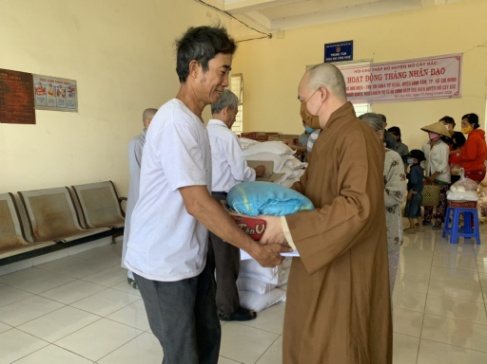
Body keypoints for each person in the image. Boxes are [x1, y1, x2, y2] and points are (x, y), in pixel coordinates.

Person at [123, 26, 287, 364]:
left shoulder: (195, 123)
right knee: (184, 354)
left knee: (208, 340)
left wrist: (246, 221)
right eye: (222, 71)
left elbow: (206, 199)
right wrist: (255, 249)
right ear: (195, 68)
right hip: (162, 264)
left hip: (189, 258)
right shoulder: (175, 122)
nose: (226, 81)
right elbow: (197, 203)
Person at [260, 63, 392, 364]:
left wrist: (288, 227)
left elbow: (358, 207)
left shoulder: (356, 136)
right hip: (318, 255)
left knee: (338, 345)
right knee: (310, 339)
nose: (302, 107)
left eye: (301, 99)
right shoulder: (328, 136)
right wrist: (270, 204)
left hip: (344, 264)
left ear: (321, 94)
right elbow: (309, 188)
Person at [206, 89, 265, 321]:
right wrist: (257, 172)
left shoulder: (200, 132)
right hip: (221, 201)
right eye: (235, 112)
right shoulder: (226, 136)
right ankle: (228, 309)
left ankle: (207, 305)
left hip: (200, 200)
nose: (234, 118)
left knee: (205, 258)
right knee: (226, 258)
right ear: (227, 110)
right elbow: (241, 173)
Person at [360, 113, 406, 293]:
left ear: (380, 134)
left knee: (382, 290)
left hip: (385, 231)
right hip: (357, 234)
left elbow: (395, 196)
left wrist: (360, 194)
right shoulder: (352, 156)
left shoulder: (391, 158)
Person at [121, 108, 157, 289]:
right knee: (136, 235)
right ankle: (132, 273)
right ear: (149, 122)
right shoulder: (137, 143)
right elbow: (137, 175)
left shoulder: (156, 141)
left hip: (154, 197)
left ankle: (146, 271)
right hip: (140, 197)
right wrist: (144, 199)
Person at [421, 121, 451, 229]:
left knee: (440, 200)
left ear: (440, 134)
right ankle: (427, 219)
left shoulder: (444, 147)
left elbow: (444, 163)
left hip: (441, 176)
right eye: (430, 132)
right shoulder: (425, 145)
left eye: (433, 132)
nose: (431, 134)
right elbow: (424, 160)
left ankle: (438, 221)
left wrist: (434, 175)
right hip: (428, 175)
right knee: (428, 197)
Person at [456, 113, 487, 182]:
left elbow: (471, 156)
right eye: (461, 123)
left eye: (464, 124)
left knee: (469, 192)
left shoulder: (473, 137)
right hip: (479, 169)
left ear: (472, 124)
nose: (462, 126)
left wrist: (460, 155)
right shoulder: (478, 135)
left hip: (473, 170)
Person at [404, 149, 426, 234]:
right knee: (417, 210)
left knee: (410, 210)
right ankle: (420, 226)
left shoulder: (413, 169)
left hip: (414, 192)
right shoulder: (418, 168)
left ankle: (412, 227)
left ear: (415, 159)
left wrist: (410, 192)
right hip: (418, 193)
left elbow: (414, 181)